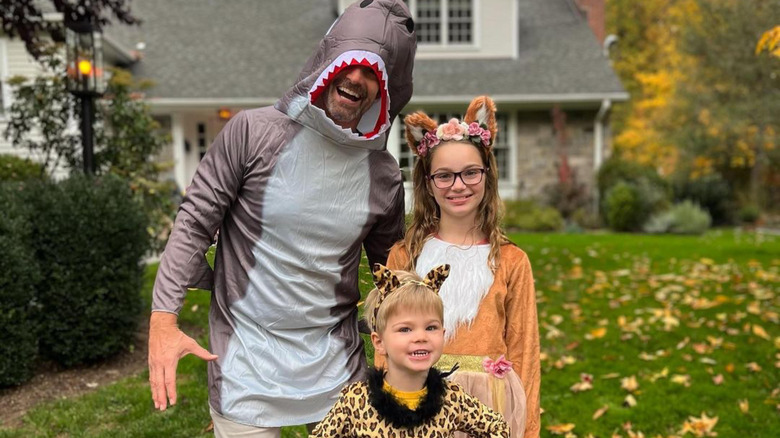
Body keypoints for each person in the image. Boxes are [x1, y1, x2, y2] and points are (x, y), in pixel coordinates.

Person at [147, 0, 417, 436]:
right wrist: (164, 319)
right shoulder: (253, 133)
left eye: (374, 72)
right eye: (351, 62)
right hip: (245, 362)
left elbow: (391, 269)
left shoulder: (382, 174)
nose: (357, 78)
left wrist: (399, 333)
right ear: (329, 61)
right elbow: (194, 222)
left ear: (387, 90)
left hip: (337, 365)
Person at [384, 96, 541, 437]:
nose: (458, 185)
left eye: (470, 172)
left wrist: (528, 430)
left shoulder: (512, 262)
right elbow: (388, 345)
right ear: (428, 182)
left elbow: (525, 353)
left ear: (487, 175)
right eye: (444, 176)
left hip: (490, 407)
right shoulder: (404, 256)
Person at [311, 264, 510, 438]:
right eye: (405, 329)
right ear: (379, 342)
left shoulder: (451, 399)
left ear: (443, 333)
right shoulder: (357, 401)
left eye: (430, 327)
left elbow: (498, 429)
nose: (420, 337)